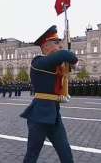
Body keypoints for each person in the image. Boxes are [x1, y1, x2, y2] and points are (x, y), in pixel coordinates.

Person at [20, 25, 77, 163]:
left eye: (60, 43)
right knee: (31, 156)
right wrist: (66, 51)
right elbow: (67, 55)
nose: (60, 46)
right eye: (56, 43)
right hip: (39, 116)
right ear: (45, 47)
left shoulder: (55, 65)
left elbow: (71, 61)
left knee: (66, 154)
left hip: (54, 116)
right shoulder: (38, 62)